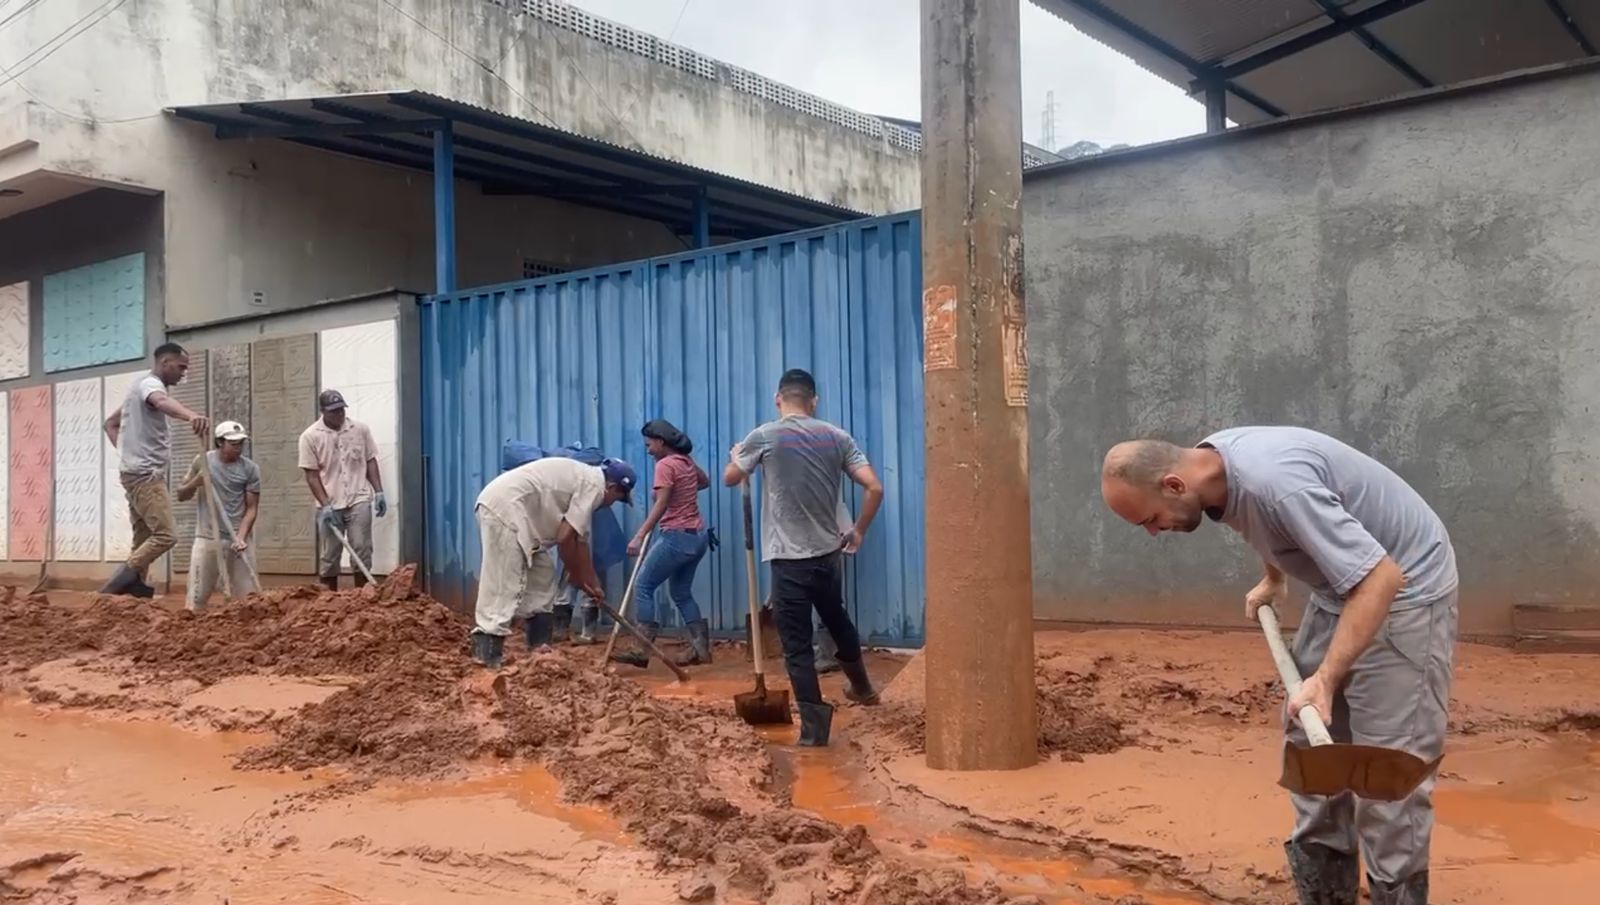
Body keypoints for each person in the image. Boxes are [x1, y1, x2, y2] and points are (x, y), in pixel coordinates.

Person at [1100, 427, 1457, 905]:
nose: (1151, 531)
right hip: (1342, 589)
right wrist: (1274, 579)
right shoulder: (1211, 468)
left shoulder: (1276, 484)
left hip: (1403, 593)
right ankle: (1327, 895)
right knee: (1311, 754)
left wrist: (1326, 680)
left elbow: (1381, 579)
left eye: (1149, 519)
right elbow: (1267, 525)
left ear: (1173, 485)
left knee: (1388, 778)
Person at [723, 368, 884, 747]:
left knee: (797, 645)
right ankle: (862, 687)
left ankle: (814, 733)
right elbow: (875, 486)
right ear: (814, 401)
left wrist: (738, 456)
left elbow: (731, 477)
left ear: (779, 399)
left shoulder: (764, 435)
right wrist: (858, 529)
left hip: (788, 559)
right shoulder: (837, 437)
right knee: (836, 618)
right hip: (828, 554)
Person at [470, 455, 637, 669]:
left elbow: (580, 542)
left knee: (542, 573)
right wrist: (578, 578)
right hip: (505, 509)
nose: (612, 504)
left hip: (521, 517)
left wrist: (592, 584)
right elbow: (564, 538)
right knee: (504, 577)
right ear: (612, 487)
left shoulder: (588, 481)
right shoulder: (593, 487)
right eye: (617, 498)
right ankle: (487, 650)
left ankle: (539, 647)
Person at [100, 343, 210, 597]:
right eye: (181, 367)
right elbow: (160, 401)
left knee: (143, 538)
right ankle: (113, 587)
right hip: (146, 478)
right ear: (164, 363)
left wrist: (128, 454)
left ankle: (134, 587)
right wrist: (190, 416)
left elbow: (110, 424)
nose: (184, 373)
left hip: (134, 473)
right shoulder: (151, 386)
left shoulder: (135, 389)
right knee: (165, 535)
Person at [613, 419, 715, 669]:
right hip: (698, 535)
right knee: (681, 592)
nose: (647, 449)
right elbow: (704, 481)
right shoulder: (685, 461)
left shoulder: (665, 465)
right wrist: (678, 491)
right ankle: (701, 649)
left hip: (677, 537)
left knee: (644, 584)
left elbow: (661, 505)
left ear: (660, 442)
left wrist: (639, 535)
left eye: (649, 444)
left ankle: (641, 648)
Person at [297, 389, 386, 590]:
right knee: (329, 554)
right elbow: (311, 476)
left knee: (362, 548)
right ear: (322, 411)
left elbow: (370, 460)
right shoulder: (310, 437)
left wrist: (378, 491)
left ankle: (362, 597)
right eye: (333, 411)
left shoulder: (360, 429)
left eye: (341, 410)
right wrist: (325, 504)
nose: (339, 415)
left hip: (358, 497)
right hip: (329, 502)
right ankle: (329, 600)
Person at [174, 420, 261, 610]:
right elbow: (181, 495)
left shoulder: (250, 469)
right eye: (234, 443)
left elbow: (252, 508)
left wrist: (241, 537)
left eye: (241, 443)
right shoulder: (202, 461)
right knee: (196, 599)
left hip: (238, 539)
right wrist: (197, 481)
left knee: (249, 601)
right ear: (220, 442)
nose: (239, 448)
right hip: (207, 537)